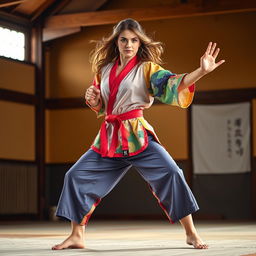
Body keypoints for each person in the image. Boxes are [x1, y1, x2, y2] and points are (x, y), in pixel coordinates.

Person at [52, 18, 225, 250]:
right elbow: (102, 104)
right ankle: (77, 235)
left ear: (139, 43)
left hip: (138, 135)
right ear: (116, 42)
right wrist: (93, 100)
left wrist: (201, 72)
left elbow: (172, 84)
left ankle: (191, 233)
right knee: (74, 176)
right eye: (123, 40)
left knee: (172, 172)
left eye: (134, 40)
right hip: (109, 138)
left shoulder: (147, 69)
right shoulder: (103, 71)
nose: (128, 44)